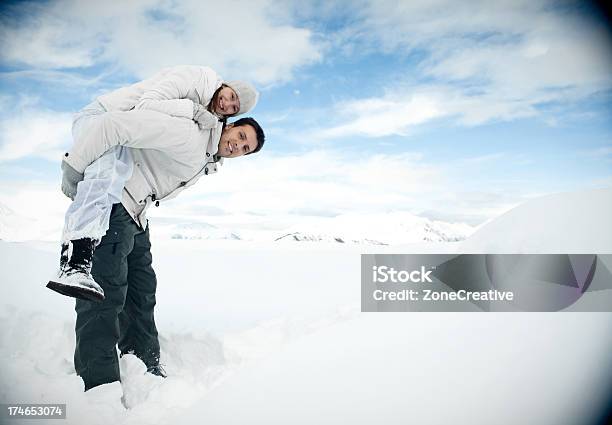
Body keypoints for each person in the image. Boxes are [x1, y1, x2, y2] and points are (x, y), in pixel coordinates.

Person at [64, 113, 264, 390]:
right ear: (229, 126)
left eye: (245, 149)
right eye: (241, 137)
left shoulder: (206, 158)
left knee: (142, 292)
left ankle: (144, 360)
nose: (238, 146)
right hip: (114, 203)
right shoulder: (188, 133)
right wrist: (74, 167)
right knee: (104, 295)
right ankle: (98, 386)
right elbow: (115, 126)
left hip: (137, 216)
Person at [47, 65, 258, 301]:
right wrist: (73, 167)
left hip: (124, 133)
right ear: (226, 85)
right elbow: (143, 107)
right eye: (231, 96)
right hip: (105, 115)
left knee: (112, 172)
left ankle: (78, 266)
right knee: (105, 177)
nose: (227, 104)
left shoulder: (206, 130)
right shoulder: (196, 82)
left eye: (234, 108)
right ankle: (73, 264)